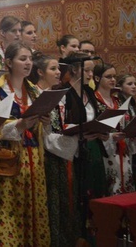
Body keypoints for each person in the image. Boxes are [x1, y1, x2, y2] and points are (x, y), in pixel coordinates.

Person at [0, 42, 52, 247]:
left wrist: (45, 123)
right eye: (22, 59)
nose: (28, 63)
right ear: (8, 62)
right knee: (8, 209)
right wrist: (19, 124)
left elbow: (42, 128)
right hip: (9, 158)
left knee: (34, 208)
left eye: (30, 59)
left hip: (34, 158)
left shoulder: (33, 91)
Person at [34, 53, 80, 247]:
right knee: (48, 199)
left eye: (58, 69)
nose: (58, 72)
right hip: (42, 154)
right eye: (53, 69)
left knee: (62, 199)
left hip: (59, 151)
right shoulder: (35, 94)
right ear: (40, 72)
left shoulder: (59, 95)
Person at [61, 52, 108, 240]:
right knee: (81, 194)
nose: (90, 74)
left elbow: (94, 118)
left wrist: (102, 130)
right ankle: (80, 236)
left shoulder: (89, 92)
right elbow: (63, 124)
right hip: (75, 150)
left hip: (94, 146)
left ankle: (97, 234)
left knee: (97, 192)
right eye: (86, 70)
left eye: (91, 70)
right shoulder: (64, 92)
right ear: (73, 69)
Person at [94, 63, 136, 195]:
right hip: (103, 149)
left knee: (125, 184)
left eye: (114, 76)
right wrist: (111, 137)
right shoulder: (93, 100)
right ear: (97, 79)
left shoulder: (117, 101)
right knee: (110, 186)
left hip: (122, 149)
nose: (112, 80)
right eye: (108, 77)